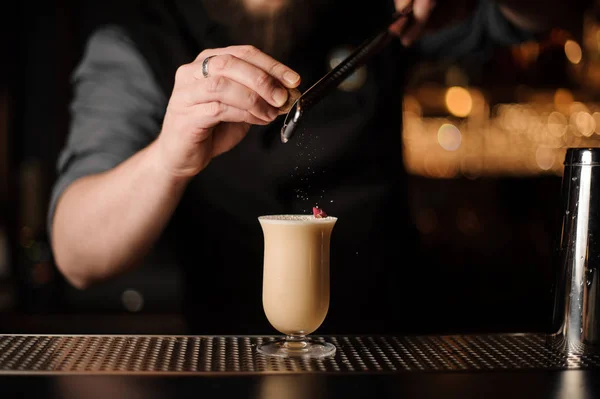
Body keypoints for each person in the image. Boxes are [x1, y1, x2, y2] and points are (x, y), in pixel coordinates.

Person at [48, 0, 586, 334]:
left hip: (391, 347)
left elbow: (546, 12)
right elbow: (77, 255)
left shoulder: (380, 11)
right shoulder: (140, 37)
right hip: (226, 357)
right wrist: (169, 156)